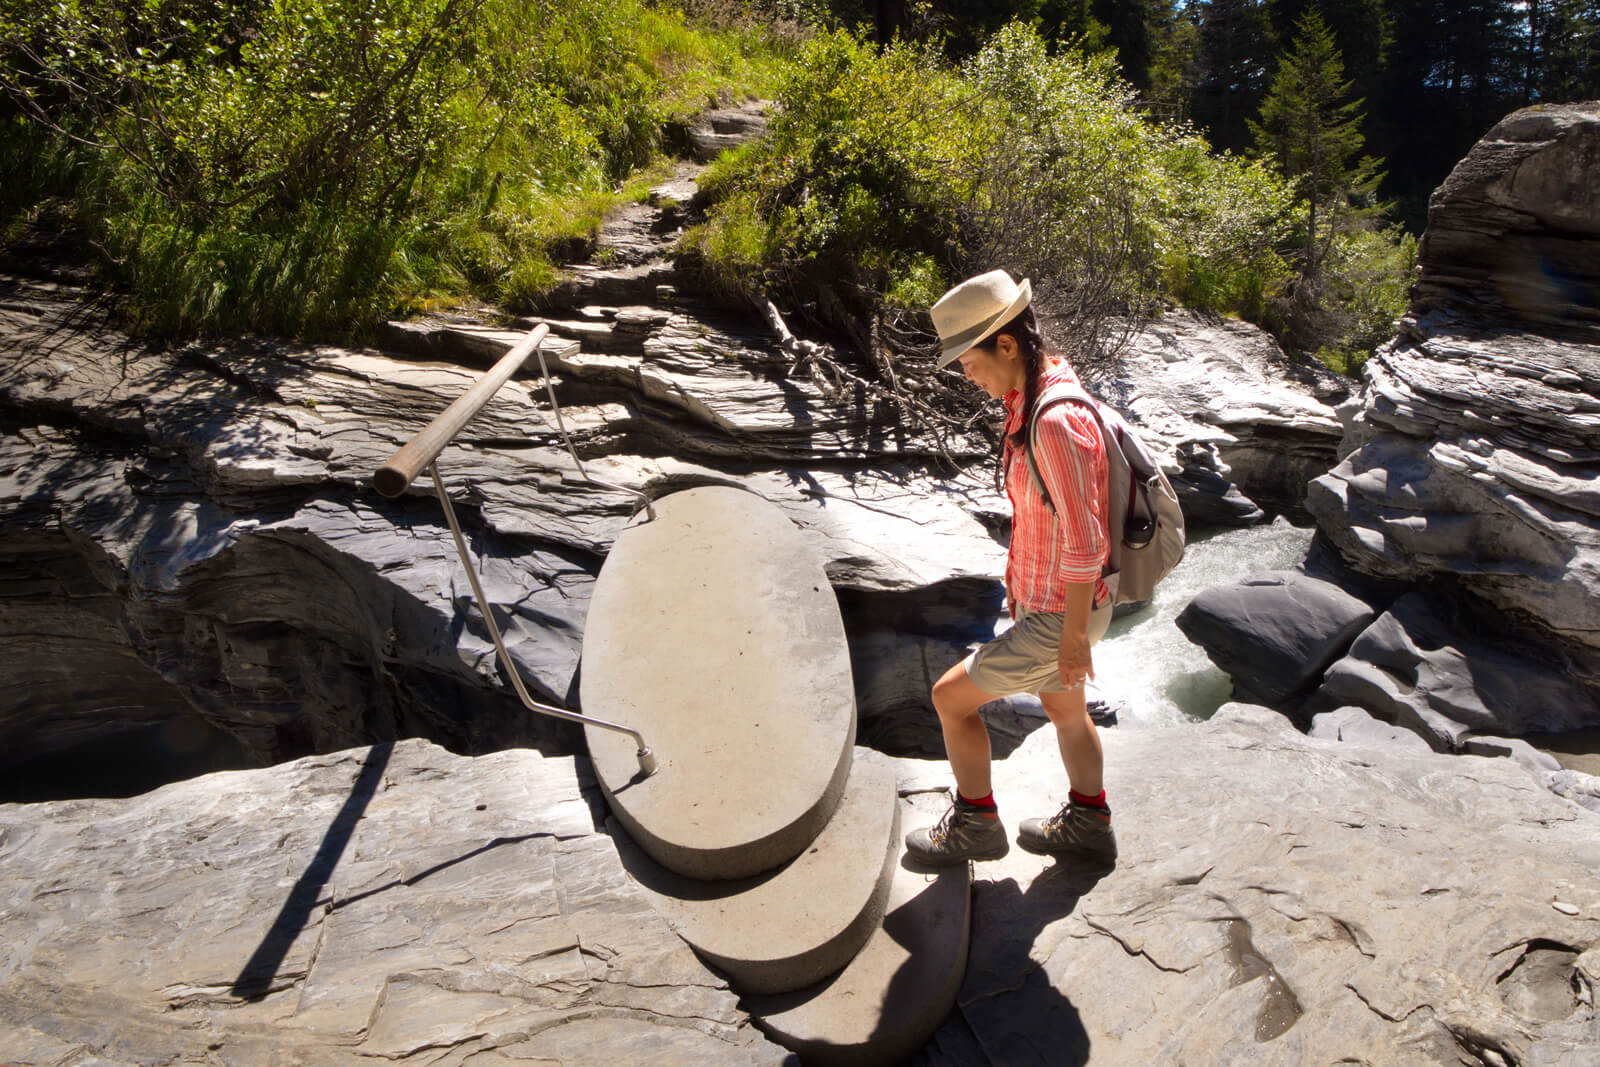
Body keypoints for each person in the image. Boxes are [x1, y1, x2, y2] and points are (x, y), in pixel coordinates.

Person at [904, 268, 1117, 867]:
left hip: (1062, 614)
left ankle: (975, 827)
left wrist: (1073, 638)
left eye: (969, 363)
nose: (967, 377)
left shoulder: (1051, 420)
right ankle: (1089, 822)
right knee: (1066, 712)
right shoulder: (1036, 396)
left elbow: (1085, 539)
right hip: (1059, 605)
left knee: (950, 699)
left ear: (1005, 343)